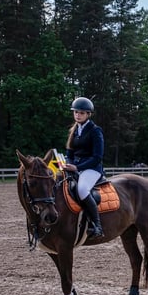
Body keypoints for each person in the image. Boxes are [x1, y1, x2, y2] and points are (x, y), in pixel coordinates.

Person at [63, 97, 105, 239]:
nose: (78, 115)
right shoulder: (74, 130)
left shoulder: (95, 131)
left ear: (88, 114)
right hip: (75, 166)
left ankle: (97, 226)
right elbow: (69, 152)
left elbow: (97, 157)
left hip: (92, 168)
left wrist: (77, 167)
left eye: (81, 113)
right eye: (76, 112)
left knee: (81, 189)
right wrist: (68, 164)